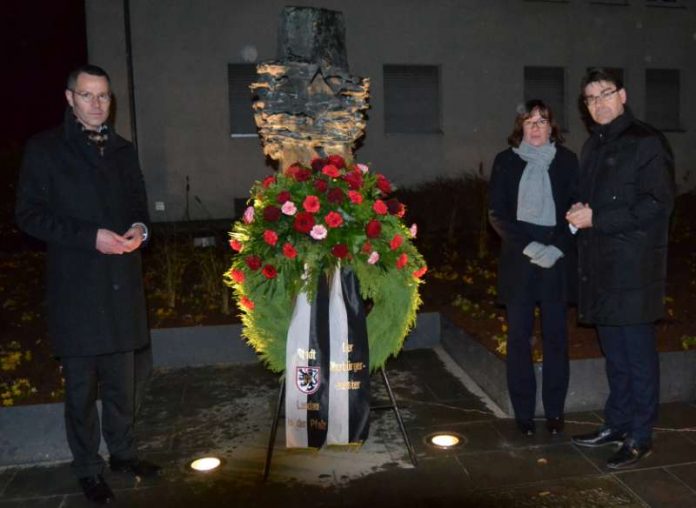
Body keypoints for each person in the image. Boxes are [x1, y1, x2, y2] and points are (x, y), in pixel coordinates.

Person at [15, 64, 160, 504]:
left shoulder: (122, 150)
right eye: (87, 95)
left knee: (122, 383)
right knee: (81, 390)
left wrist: (139, 229)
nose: (98, 105)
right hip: (77, 289)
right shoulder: (45, 150)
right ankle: (87, 467)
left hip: (121, 285)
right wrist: (90, 237)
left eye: (104, 96)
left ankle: (123, 453)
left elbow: (139, 204)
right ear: (69, 98)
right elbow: (28, 215)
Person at [566, 68, 674, 469]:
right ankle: (616, 423)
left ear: (623, 96)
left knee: (638, 357)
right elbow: (597, 201)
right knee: (614, 355)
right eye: (590, 99)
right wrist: (581, 211)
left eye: (605, 94)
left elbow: (657, 204)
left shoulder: (647, 141)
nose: (598, 103)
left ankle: (640, 435)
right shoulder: (593, 145)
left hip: (633, 270)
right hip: (600, 268)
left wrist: (599, 219)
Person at [489, 100, 578, 436]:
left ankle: (555, 412)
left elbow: (577, 207)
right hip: (519, 259)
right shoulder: (505, 162)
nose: (537, 127)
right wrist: (529, 246)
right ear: (520, 128)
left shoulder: (567, 161)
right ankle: (523, 413)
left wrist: (556, 247)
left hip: (556, 260)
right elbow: (497, 213)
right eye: (530, 122)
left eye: (543, 121)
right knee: (519, 338)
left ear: (552, 126)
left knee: (556, 338)